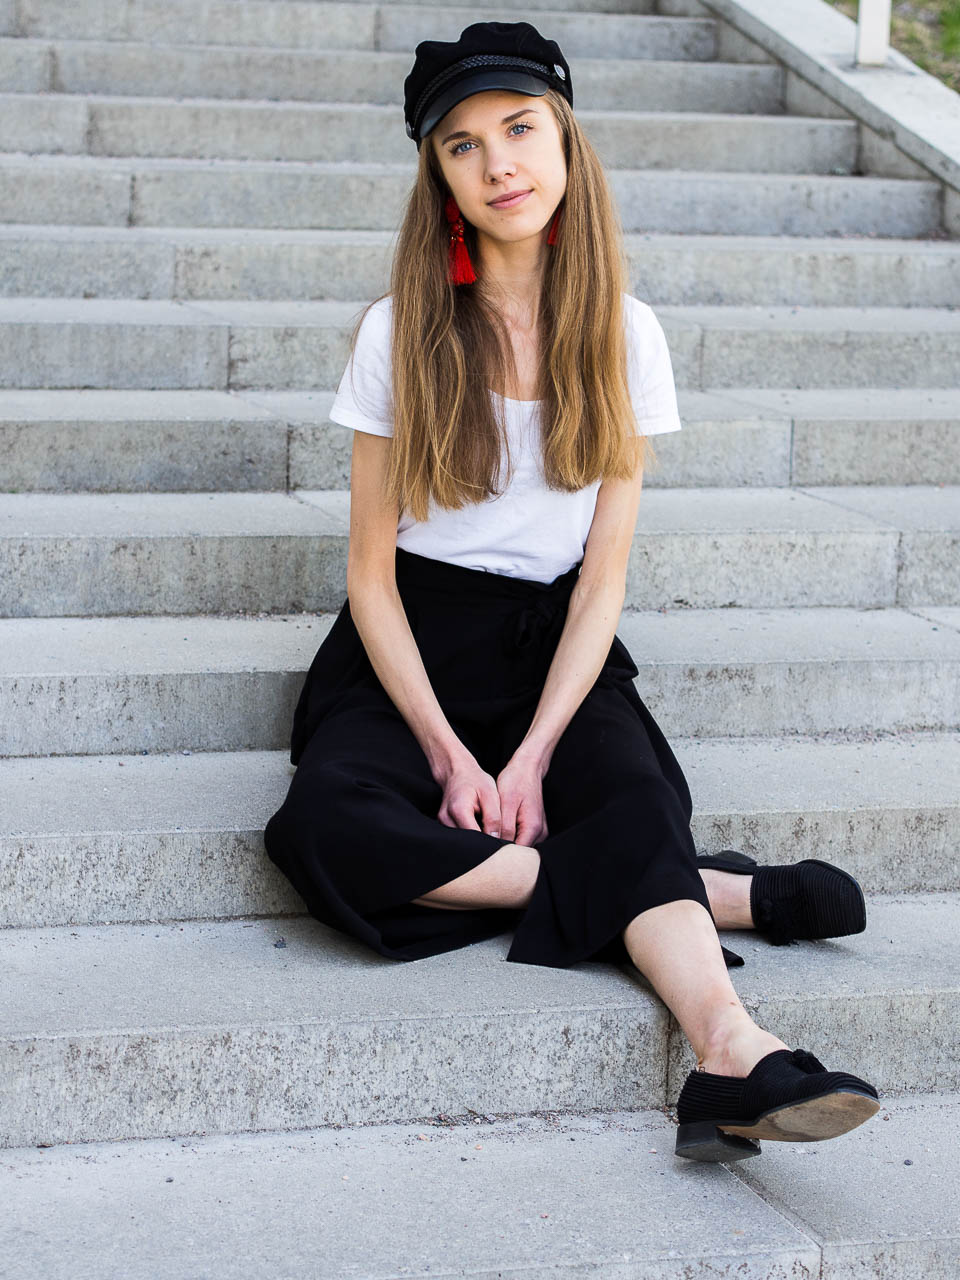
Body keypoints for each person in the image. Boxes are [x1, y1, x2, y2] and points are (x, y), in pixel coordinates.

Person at [263, 20, 883, 1162]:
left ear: (564, 140)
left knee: (630, 790)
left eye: (519, 128)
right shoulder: (399, 334)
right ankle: (692, 889)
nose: (499, 162)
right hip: (412, 639)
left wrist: (537, 752)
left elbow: (604, 579)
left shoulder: (625, 334)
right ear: (438, 177)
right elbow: (368, 575)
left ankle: (733, 1050)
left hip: (562, 643)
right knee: (327, 828)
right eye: (462, 145)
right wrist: (453, 756)